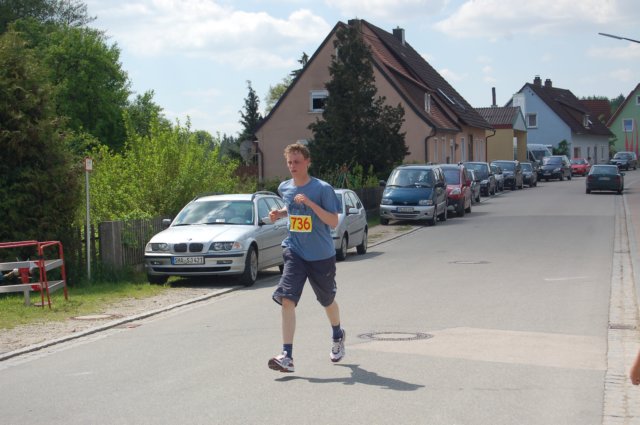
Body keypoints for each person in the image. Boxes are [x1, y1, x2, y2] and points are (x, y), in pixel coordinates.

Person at [267, 143, 345, 373]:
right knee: (287, 298)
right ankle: (287, 356)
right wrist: (279, 213)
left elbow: (333, 221)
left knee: (327, 300)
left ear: (308, 162)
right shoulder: (284, 187)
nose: (293, 166)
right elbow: (292, 209)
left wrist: (311, 203)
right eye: (289, 162)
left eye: (297, 162)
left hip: (321, 255)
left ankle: (338, 335)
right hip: (295, 251)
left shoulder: (322, 189)